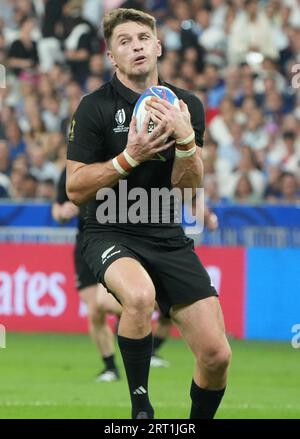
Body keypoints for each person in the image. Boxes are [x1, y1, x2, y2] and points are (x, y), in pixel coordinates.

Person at [66, 8, 231, 419]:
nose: (136, 46)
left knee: (216, 355)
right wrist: (128, 158)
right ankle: (142, 411)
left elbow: (189, 191)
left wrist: (187, 139)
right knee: (139, 297)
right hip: (108, 230)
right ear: (111, 56)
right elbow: (74, 188)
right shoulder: (94, 108)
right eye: (124, 41)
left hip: (167, 235)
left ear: (157, 47)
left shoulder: (186, 105)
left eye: (142, 38)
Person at [52, 168, 122, 382]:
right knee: (94, 311)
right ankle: (110, 366)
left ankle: (140, 307)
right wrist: (62, 212)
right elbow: (57, 207)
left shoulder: (116, 160)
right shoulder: (71, 168)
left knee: (105, 303)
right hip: (84, 242)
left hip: (114, 237)